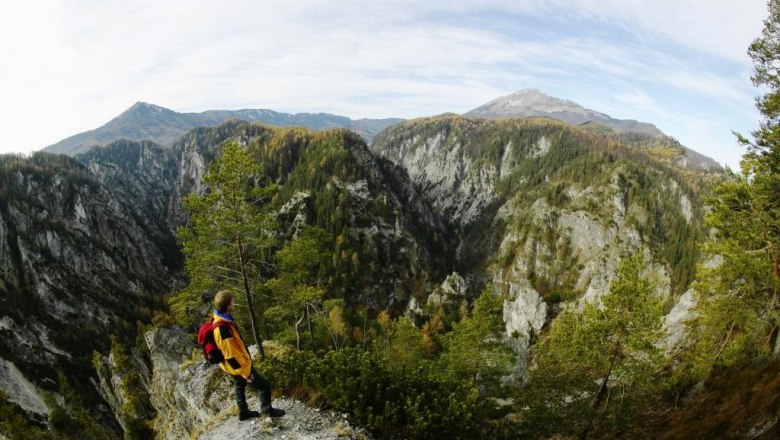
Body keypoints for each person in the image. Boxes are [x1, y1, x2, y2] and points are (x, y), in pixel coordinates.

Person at [212, 290, 285, 420]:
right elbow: (231, 355)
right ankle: (267, 410)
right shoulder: (223, 329)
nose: (234, 303)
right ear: (228, 306)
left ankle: (243, 411)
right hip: (238, 366)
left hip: (231, 367)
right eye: (232, 301)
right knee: (264, 386)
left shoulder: (221, 319)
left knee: (239, 385)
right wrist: (247, 373)